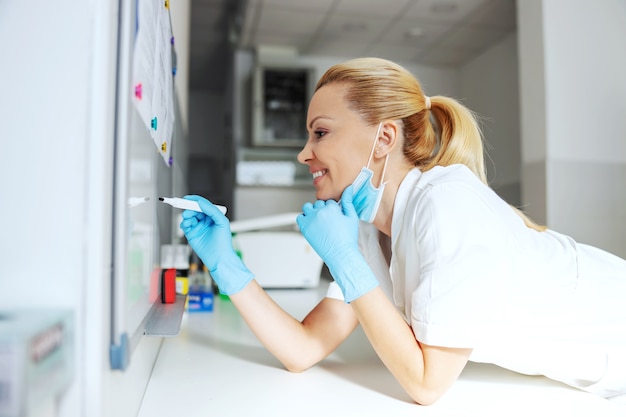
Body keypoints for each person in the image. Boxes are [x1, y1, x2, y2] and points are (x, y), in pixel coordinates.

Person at [179, 57, 626, 405]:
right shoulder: (369, 229)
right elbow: (303, 348)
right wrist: (226, 265)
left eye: (320, 133)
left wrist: (345, 262)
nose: (304, 154)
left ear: (385, 138)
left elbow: (427, 384)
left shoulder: (446, 204)